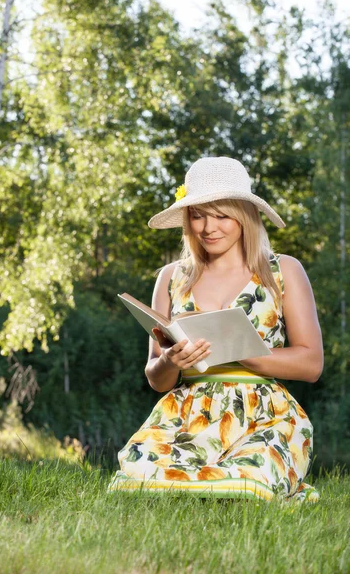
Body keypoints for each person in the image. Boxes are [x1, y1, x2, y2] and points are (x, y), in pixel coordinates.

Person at [108, 156, 324, 501]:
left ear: (246, 216)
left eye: (222, 215)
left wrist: (240, 350)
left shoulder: (282, 271)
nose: (209, 228)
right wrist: (171, 361)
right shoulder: (171, 278)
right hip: (185, 413)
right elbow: (155, 378)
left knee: (250, 479)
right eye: (198, 215)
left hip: (264, 413)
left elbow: (311, 364)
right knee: (139, 471)